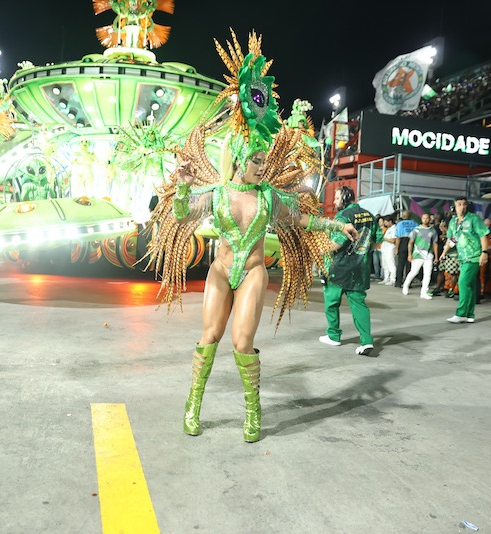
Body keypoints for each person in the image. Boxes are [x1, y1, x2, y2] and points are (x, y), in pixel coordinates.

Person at [147, 31, 357, 443]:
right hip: (221, 271)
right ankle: (193, 403)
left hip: (253, 272)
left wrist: (336, 225)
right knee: (209, 336)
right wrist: (184, 187)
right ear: (241, 159)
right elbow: (181, 214)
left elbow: (301, 221)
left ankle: (252, 409)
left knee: (242, 342)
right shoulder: (217, 194)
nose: (263, 165)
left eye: (264, 159)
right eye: (257, 160)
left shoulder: (270, 198)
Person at [318, 186, 375, 355]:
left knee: (331, 303)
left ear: (345, 198)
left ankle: (334, 335)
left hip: (339, 268)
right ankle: (366, 341)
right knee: (359, 305)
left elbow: (336, 243)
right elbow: (375, 241)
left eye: (336, 198)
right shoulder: (370, 216)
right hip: (360, 268)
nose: (334, 202)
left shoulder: (343, 216)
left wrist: (317, 250)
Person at [439, 197, 490, 323]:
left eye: (464, 204)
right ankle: (469, 315)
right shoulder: (453, 221)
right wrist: (444, 252)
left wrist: (484, 252)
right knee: (470, 286)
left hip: (473, 256)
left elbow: (483, 235)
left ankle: (461, 313)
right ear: (454, 206)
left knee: (462, 283)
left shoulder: (474, 219)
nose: (462, 207)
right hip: (462, 257)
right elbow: (453, 239)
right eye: (459, 204)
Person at [402, 212, 438, 299]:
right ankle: (405, 285)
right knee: (414, 272)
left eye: (427, 218)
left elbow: (435, 244)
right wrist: (409, 254)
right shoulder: (416, 230)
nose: (425, 220)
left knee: (427, 274)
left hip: (428, 255)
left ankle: (424, 292)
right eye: (423, 218)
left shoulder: (433, 230)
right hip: (417, 254)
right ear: (421, 219)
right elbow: (410, 242)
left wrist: (436, 257)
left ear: (430, 219)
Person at [380, 217, 397, 285]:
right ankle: (386, 278)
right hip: (385, 248)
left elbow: (393, 240)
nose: (385, 223)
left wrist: (384, 238)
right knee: (385, 264)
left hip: (390, 248)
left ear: (390, 221)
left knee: (391, 264)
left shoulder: (394, 229)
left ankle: (393, 279)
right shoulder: (388, 229)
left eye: (386, 222)